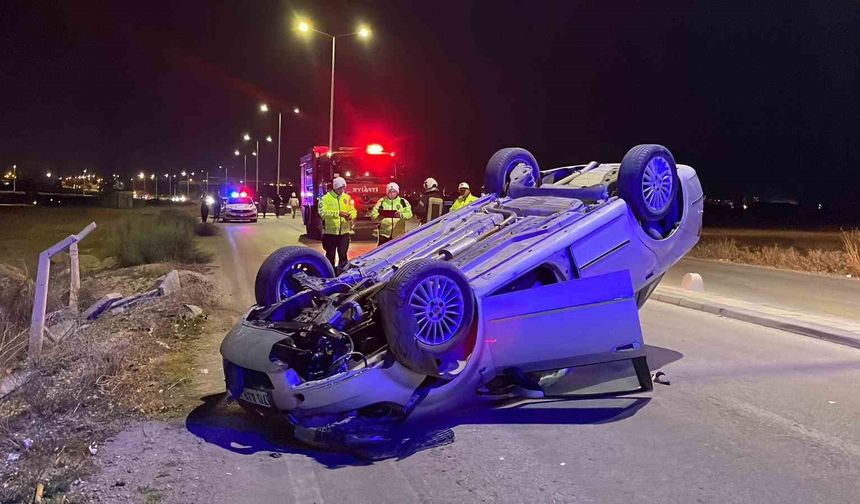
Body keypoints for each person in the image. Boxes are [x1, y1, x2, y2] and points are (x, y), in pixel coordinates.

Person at [318, 176, 356, 271]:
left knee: (343, 255)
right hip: (330, 233)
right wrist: (338, 214)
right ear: (335, 187)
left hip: (344, 233)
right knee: (330, 256)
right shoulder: (325, 198)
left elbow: (353, 210)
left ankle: (342, 274)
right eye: (340, 188)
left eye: (344, 187)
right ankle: (330, 274)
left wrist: (351, 215)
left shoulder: (347, 198)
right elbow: (322, 213)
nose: (342, 190)